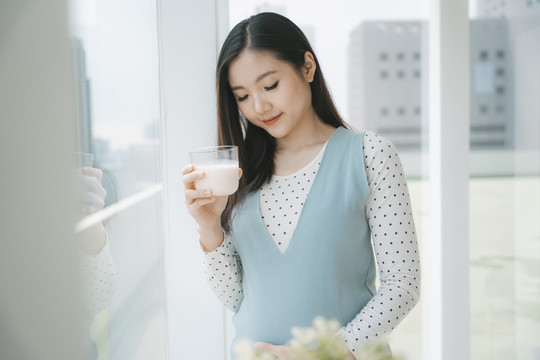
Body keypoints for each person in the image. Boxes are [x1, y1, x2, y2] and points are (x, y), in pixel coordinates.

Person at [182, 12, 420, 360]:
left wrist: (330, 352)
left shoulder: (370, 154)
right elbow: (237, 299)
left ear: (307, 67)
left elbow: (403, 285)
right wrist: (209, 228)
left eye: (269, 86)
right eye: (243, 96)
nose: (259, 107)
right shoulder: (238, 173)